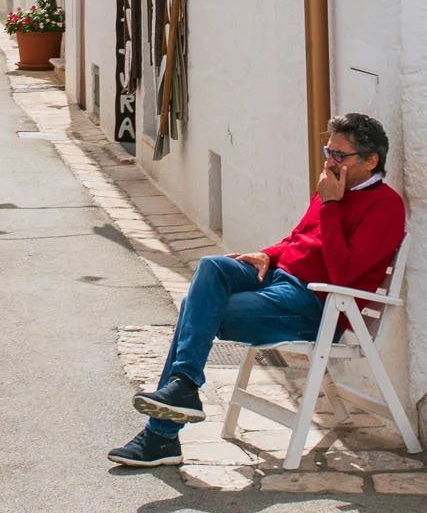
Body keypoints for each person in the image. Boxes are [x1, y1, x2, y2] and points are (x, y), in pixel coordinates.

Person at [108, 112, 405, 470]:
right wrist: (268, 254)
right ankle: (183, 386)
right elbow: (298, 241)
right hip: (279, 279)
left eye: (340, 155)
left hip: (314, 304)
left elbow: (342, 272)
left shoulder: (384, 206)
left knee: (196, 306)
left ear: (371, 161)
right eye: (328, 151)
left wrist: (330, 205)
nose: (329, 161)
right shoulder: (333, 186)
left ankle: (161, 433)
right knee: (211, 267)